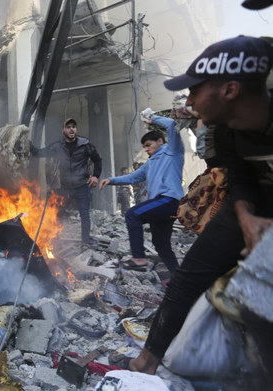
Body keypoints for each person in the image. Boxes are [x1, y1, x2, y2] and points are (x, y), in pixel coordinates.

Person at [127, 36, 273, 382]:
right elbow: (240, 176)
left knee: (260, 303)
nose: (188, 101)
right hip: (259, 196)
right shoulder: (224, 132)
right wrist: (246, 218)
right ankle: (147, 361)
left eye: (194, 91)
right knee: (189, 276)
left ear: (230, 90)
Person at [99, 113, 184, 274]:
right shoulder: (149, 164)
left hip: (170, 200)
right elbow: (133, 177)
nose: (146, 150)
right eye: (144, 147)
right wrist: (111, 180)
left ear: (160, 141)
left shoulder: (173, 152)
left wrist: (153, 118)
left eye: (148, 145)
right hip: (161, 206)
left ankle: (139, 258)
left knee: (132, 214)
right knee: (161, 245)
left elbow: (173, 125)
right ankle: (179, 280)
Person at [30, 118, 102, 249]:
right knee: (58, 214)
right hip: (65, 188)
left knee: (84, 215)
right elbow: (38, 153)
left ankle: (85, 242)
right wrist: (27, 143)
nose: (71, 129)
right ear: (63, 130)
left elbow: (98, 160)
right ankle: (55, 241)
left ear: (76, 129)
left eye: (73, 127)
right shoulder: (57, 147)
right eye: (68, 127)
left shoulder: (85, 144)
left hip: (82, 186)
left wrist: (96, 176)